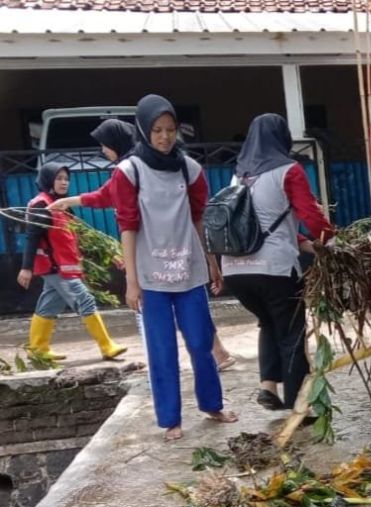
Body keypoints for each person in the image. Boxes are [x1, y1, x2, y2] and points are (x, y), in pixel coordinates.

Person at [51, 119, 237, 372]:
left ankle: (207, 358)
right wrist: (70, 201)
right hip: (165, 255)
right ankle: (215, 353)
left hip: (161, 254)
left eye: (104, 146)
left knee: (182, 314)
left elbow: (193, 215)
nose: (103, 151)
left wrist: (133, 278)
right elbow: (106, 196)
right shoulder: (130, 169)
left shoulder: (143, 170)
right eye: (158, 131)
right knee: (187, 313)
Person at [110, 94, 237, 440]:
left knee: (200, 341)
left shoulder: (190, 169)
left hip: (190, 271)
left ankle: (212, 404)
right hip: (151, 278)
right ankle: (170, 419)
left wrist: (212, 263)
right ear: (143, 130)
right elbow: (127, 225)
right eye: (157, 130)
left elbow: (200, 219)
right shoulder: (129, 171)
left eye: (171, 129)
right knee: (162, 349)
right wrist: (132, 282)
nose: (165, 137)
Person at [221, 113, 333, 411]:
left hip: (235, 271)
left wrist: (305, 243)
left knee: (269, 323)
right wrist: (331, 240)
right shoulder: (289, 170)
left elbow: (260, 224)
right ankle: (301, 404)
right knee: (292, 334)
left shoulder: (240, 174)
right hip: (274, 270)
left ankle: (268, 387)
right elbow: (309, 214)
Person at [18, 164, 127, 362]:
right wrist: (26, 268)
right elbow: (32, 238)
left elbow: (83, 235)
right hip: (55, 266)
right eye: (59, 178)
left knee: (48, 306)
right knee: (85, 300)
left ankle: (38, 350)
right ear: (48, 179)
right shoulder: (41, 204)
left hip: (65, 265)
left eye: (66, 178)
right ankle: (106, 346)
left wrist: (111, 255)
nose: (64, 182)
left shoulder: (63, 204)